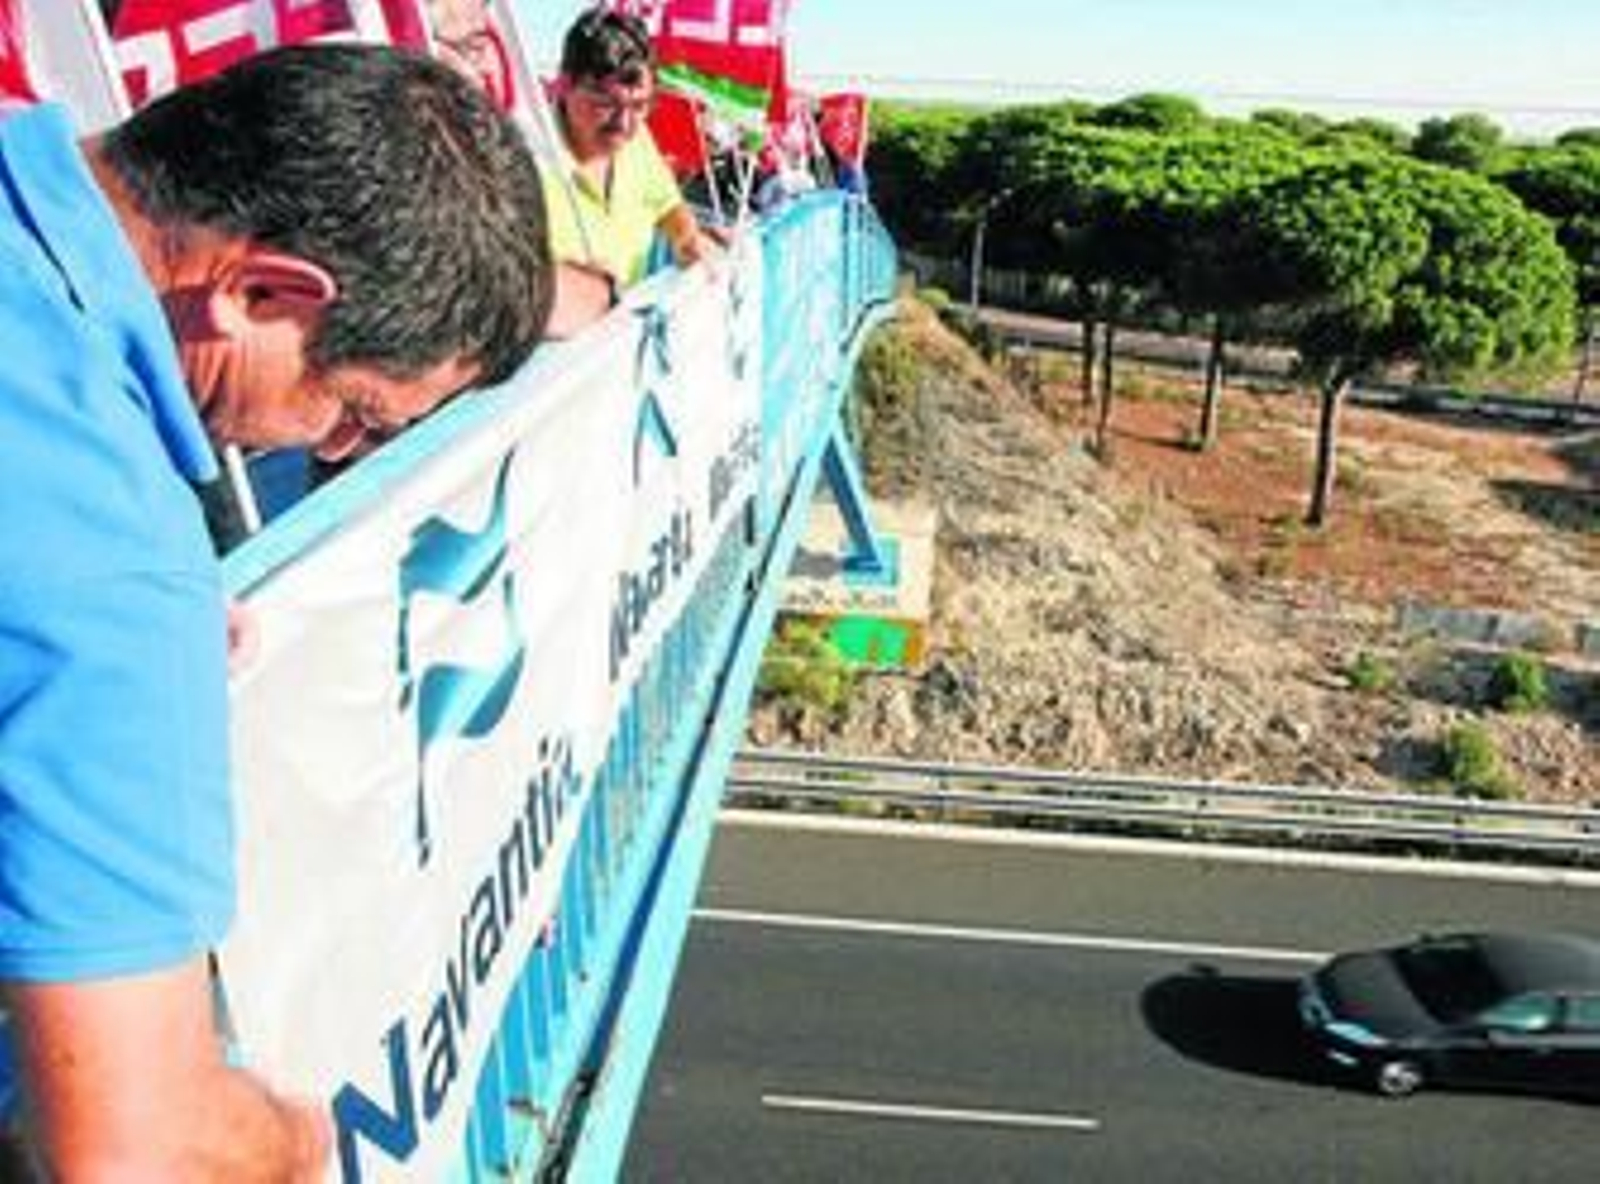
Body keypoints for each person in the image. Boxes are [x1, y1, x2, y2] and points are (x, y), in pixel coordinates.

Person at [0, 43, 551, 1181]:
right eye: (355, 414)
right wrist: (294, 1138)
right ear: (263, 291)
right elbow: (138, 1148)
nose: (333, 453)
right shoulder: (112, 577)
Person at [542, 8, 717, 292]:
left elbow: (667, 205)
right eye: (605, 104)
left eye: (639, 106)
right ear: (564, 85)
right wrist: (573, 288)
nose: (623, 124)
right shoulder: (524, 159)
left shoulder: (637, 140)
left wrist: (689, 238)